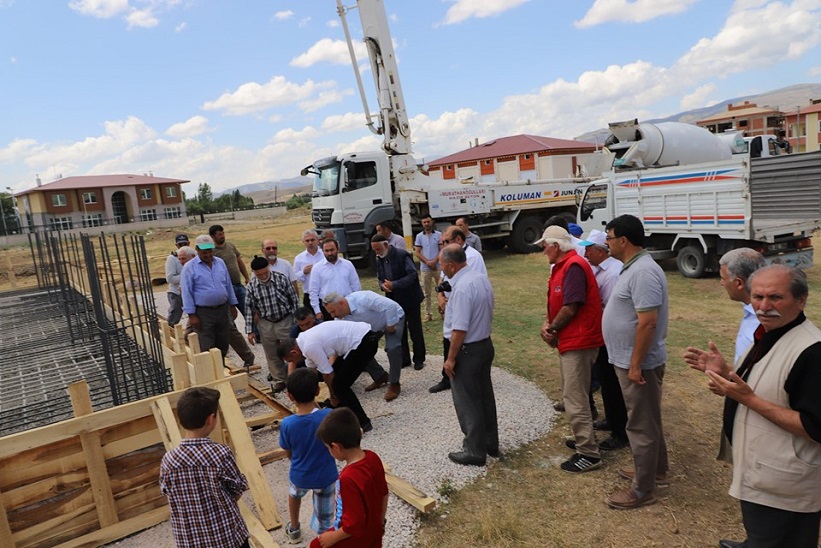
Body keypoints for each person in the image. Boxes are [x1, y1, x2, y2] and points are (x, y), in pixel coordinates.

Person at [684, 265, 821, 547]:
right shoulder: (769, 333)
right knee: (762, 533)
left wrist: (747, 399)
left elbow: (815, 427)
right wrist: (726, 373)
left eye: (775, 298)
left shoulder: (812, 352)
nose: (763, 306)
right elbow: (771, 384)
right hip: (764, 471)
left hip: (787, 485)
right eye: (757, 297)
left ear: (802, 299)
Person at [602, 215, 669, 510]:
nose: (607, 242)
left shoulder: (642, 272)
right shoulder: (634, 268)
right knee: (648, 418)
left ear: (624, 241)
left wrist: (635, 363)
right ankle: (655, 469)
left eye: (609, 237)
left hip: (638, 362)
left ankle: (642, 489)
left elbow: (648, 323)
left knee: (640, 424)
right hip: (631, 359)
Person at [537, 225, 604, 473]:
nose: (544, 252)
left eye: (545, 247)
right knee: (575, 395)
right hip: (573, 339)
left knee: (575, 398)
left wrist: (552, 329)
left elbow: (571, 306)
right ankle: (584, 439)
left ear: (556, 246)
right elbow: (559, 304)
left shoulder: (573, 266)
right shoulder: (566, 266)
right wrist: (550, 325)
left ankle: (589, 453)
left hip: (579, 340)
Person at [160, 387, 249, 548]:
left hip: (190, 540)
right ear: (211, 419)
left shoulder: (168, 460)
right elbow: (237, 488)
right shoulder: (220, 453)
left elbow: (167, 492)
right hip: (227, 536)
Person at [440, 244, 498, 466]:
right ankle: (490, 442)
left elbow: (460, 328)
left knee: (467, 401)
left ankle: (474, 450)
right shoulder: (479, 278)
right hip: (484, 344)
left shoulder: (462, 287)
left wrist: (451, 358)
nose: (442, 270)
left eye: (443, 266)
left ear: (452, 265)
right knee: (484, 397)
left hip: (468, 349)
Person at [277, 321, 381, 432]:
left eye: (291, 360)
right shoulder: (303, 341)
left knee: (340, 386)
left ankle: (363, 422)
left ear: (294, 352)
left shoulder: (309, 346)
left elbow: (328, 373)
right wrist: (308, 396)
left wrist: (333, 395)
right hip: (358, 341)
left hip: (364, 341)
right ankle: (340, 416)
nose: (293, 363)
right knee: (336, 381)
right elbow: (312, 374)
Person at [579, 229, 628, 451]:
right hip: (601, 334)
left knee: (613, 382)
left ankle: (620, 430)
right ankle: (611, 418)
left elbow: (609, 307)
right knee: (606, 381)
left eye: (589, 249)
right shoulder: (598, 270)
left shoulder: (613, 273)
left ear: (601, 251)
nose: (585, 252)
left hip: (611, 336)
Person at [312, 408, 389, 548]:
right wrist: (381, 522)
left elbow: (354, 523)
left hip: (353, 539)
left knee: (315, 545)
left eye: (328, 448)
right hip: (374, 531)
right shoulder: (373, 457)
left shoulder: (347, 478)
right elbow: (384, 493)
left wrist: (333, 537)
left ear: (336, 447)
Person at [279, 369, 339, 544]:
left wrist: (294, 460)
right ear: (318, 391)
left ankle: (294, 528)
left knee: (294, 495)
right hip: (326, 476)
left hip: (299, 475)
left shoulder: (288, 423)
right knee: (325, 515)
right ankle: (324, 537)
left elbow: (287, 450)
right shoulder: (328, 415)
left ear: (290, 396)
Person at [429, 226, 486, 394]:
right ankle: (448, 377)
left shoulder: (473, 257)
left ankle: (458, 377)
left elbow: (468, 286)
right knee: (448, 338)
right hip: (450, 302)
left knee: (457, 337)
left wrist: (452, 301)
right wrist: (440, 297)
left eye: (447, 241)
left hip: (460, 304)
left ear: (459, 240)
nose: (443, 244)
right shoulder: (450, 257)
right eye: (442, 242)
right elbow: (443, 278)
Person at [324, 291, 405, 402]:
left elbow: (390, 307)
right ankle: (380, 376)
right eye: (330, 313)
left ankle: (395, 383)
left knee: (393, 348)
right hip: (373, 328)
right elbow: (340, 344)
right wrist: (331, 365)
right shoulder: (339, 320)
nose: (333, 316)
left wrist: (390, 326)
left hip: (392, 318)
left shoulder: (363, 298)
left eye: (333, 311)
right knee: (360, 350)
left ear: (342, 303)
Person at [371, 234, 426, 371]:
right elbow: (380, 277)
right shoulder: (379, 258)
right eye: (374, 250)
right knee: (399, 331)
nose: (376, 252)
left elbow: (413, 275)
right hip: (394, 301)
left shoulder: (402, 255)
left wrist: (395, 284)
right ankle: (405, 359)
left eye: (378, 249)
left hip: (410, 298)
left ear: (385, 245)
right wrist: (382, 285)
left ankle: (419, 359)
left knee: (415, 330)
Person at [245, 256, 299, 393]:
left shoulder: (281, 278)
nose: (263, 276)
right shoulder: (251, 286)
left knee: (291, 350)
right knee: (271, 353)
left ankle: (296, 377)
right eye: (259, 274)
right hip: (266, 323)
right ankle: (280, 380)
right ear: (254, 273)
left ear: (269, 268)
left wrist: (296, 319)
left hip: (285, 319)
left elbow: (294, 299)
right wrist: (250, 331)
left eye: (265, 272)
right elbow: (248, 309)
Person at [180, 235, 239, 357]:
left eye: (210, 251)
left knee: (223, 343)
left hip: (222, 310)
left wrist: (233, 305)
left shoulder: (220, 263)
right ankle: (210, 373)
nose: (208, 255)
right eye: (204, 252)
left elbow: (228, 284)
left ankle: (220, 368)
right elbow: (187, 292)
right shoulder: (190, 267)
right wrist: (192, 315)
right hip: (204, 312)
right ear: (197, 249)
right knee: (207, 344)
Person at [209, 224, 255, 367]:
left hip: (237, 286)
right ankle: (232, 348)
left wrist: (246, 277)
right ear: (212, 236)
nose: (222, 236)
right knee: (229, 322)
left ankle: (256, 334)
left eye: (222, 233)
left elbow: (239, 261)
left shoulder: (230, 246)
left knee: (249, 310)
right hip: (225, 291)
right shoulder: (212, 253)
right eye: (218, 234)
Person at [718, 248, 766, 364]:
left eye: (723, 278)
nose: (721, 283)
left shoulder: (766, 322)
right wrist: (724, 371)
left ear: (739, 283)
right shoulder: (751, 312)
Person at [309, 239, 361, 321]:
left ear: (338, 249)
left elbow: (356, 286)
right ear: (322, 251)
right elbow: (313, 292)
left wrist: (357, 304)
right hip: (328, 309)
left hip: (347, 306)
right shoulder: (317, 268)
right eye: (326, 251)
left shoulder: (348, 264)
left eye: (332, 250)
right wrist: (317, 311)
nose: (329, 253)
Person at [414, 214, 441, 322]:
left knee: (441, 290)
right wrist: (428, 262)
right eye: (424, 222)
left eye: (428, 222)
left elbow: (442, 249)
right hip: (425, 268)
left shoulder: (439, 235)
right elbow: (417, 252)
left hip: (438, 267)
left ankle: (443, 311)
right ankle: (428, 314)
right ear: (422, 223)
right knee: (426, 292)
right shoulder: (419, 236)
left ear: (432, 222)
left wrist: (434, 261)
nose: (426, 224)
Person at [294, 230, 324, 308]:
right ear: (303, 242)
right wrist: (303, 272)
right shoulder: (299, 258)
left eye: (312, 240)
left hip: (325, 293)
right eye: (307, 241)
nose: (310, 243)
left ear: (318, 240)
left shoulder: (324, 254)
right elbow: (295, 277)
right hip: (309, 295)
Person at [165, 233, 189, 326]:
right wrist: (187, 276)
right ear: (176, 245)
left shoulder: (192, 255)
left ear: (189, 243)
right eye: (180, 245)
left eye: (185, 244)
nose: (183, 247)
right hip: (176, 293)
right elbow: (170, 278)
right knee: (174, 317)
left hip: (189, 291)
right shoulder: (172, 258)